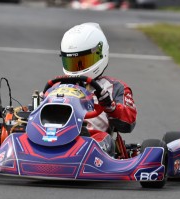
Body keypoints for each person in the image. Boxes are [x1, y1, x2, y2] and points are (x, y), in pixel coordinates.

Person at [58, 22, 137, 156]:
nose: (77, 68)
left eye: (82, 62)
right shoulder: (58, 86)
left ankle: (79, 153)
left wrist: (110, 106)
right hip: (57, 135)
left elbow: (128, 123)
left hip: (93, 141)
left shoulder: (114, 87)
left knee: (101, 140)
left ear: (100, 54)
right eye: (72, 62)